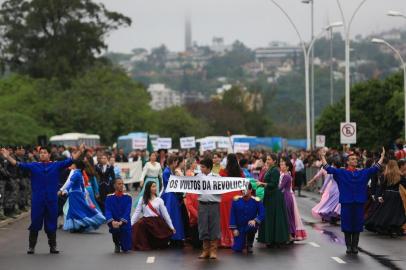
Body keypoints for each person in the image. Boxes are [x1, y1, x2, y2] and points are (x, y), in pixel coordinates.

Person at [0, 145, 83, 254]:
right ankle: (31, 246)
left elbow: (71, 160)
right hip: (38, 200)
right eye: (41, 152)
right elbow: (18, 164)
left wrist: (80, 151)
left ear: (49, 154)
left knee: (51, 223)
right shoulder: (34, 166)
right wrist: (7, 157)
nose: (42, 154)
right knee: (35, 222)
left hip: (51, 200)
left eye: (45, 152)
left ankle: (53, 246)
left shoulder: (56, 165)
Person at [320, 148, 385, 255]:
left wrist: (382, 157)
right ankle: (348, 246)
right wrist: (322, 157)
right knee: (346, 225)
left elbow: (375, 168)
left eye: (356, 159)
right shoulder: (341, 172)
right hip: (346, 203)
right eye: (353, 159)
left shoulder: (363, 172)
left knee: (357, 224)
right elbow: (328, 168)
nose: (355, 160)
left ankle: (355, 247)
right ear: (348, 162)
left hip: (359, 203)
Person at [60, 160, 105, 232]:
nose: (71, 165)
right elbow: (82, 185)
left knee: (75, 211)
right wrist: (83, 193)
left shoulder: (76, 173)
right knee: (81, 209)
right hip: (78, 194)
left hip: (74, 195)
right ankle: (79, 226)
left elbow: (70, 183)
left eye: (72, 164)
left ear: (76, 165)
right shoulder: (79, 173)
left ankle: (80, 225)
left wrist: (65, 190)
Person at [365, 160, 406, 237]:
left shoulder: (385, 175)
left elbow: (381, 187)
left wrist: (379, 196)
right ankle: (393, 229)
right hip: (396, 195)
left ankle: (383, 227)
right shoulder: (400, 176)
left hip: (387, 195)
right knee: (396, 212)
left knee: (384, 211)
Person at [131, 181, 175, 250]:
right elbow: (137, 213)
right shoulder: (142, 199)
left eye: (155, 186)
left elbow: (165, 214)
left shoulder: (159, 200)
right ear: (148, 188)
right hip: (146, 221)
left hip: (156, 222)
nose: (155, 188)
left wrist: (171, 226)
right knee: (138, 226)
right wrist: (131, 224)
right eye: (153, 186)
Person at [257, 154, 289, 246]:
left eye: (269, 159)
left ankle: (273, 239)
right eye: (267, 159)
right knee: (269, 217)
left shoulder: (275, 170)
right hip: (269, 195)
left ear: (274, 161)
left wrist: (262, 184)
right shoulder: (270, 169)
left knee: (271, 218)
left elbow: (273, 184)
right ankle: (270, 238)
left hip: (274, 197)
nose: (267, 161)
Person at [229, 183, 264, 253]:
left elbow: (262, 213)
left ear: (250, 190)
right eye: (242, 190)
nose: (243, 191)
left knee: (251, 226)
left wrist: (255, 220)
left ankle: (249, 244)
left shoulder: (256, 201)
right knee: (237, 249)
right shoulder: (236, 201)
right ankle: (242, 242)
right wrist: (234, 229)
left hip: (249, 225)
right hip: (239, 228)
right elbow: (232, 215)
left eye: (246, 189)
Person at [219, 153, 245, 248]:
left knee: (225, 219)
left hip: (225, 198)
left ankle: (225, 240)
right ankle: (236, 239)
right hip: (237, 198)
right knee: (236, 219)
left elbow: (218, 184)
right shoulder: (240, 172)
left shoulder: (222, 171)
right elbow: (244, 185)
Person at [197, 157, 221, 259]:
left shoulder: (217, 177)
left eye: (202, 167)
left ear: (208, 167)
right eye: (200, 166)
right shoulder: (197, 177)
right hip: (202, 205)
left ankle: (213, 251)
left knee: (214, 227)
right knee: (203, 227)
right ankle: (205, 250)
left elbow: (222, 189)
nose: (201, 168)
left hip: (213, 205)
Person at [279, 157, 307, 242]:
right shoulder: (284, 174)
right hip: (285, 195)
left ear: (287, 167)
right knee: (287, 215)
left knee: (288, 215)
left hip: (286, 196)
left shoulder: (286, 176)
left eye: (283, 164)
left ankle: (290, 235)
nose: (281, 165)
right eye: (280, 164)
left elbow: (280, 187)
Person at [307, 159, 341, 224]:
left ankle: (329, 215)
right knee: (336, 204)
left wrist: (322, 189)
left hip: (332, 189)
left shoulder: (331, 171)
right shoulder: (341, 171)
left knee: (329, 203)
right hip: (338, 189)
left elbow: (326, 181)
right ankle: (333, 216)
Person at [161, 155, 185, 247]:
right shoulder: (167, 172)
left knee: (175, 216)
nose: (177, 164)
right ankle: (172, 237)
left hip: (171, 195)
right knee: (173, 216)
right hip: (169, 195)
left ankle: (175, 237)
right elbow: (172, 184)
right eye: (176, 162)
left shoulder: (170, 171)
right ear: (173, 162)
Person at [105, 178, 132, 253]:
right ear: (114, 185)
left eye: (122, 184)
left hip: (125, 222)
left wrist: (122, 222)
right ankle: (116, 243)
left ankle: (123, 243)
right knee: (115, 228)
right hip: (114, 221)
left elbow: (127, 211)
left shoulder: (128, 197)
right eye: (119, 184)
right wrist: (112, 221)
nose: (121, 185)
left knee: (126, 248)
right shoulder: (109, 198)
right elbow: (108, 211)